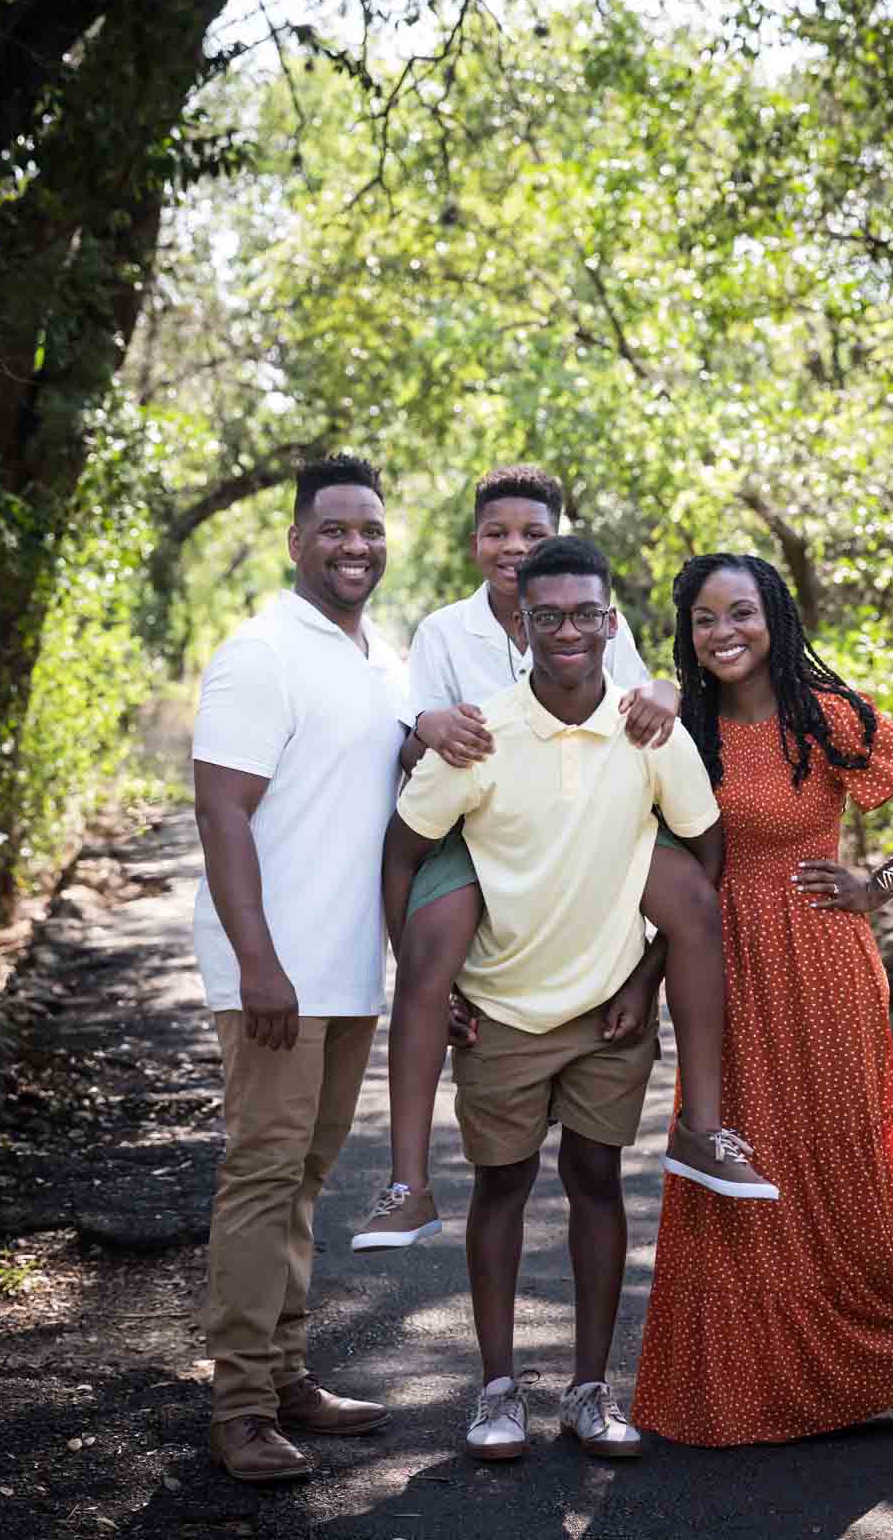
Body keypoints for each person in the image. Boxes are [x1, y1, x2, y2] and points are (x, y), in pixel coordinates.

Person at [352, 466, 774, 1253]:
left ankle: (703, 1125)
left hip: (598, 814)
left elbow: (642, 687)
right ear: (474, 544)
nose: (514, 547)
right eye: (497, 533)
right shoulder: (448, 630)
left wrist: (667, 694)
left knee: (690, 901)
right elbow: (417, 737)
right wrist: (437, 725)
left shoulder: (583, 604)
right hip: (486, 822)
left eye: (532, 533)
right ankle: (408, 1182)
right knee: (432, 938)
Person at [379, 535, 736, 1461]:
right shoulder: (480, 734)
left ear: (611, 624)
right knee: (502, 1184)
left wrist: (648, 977)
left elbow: (705, 860)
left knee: (596, 1182)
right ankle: (496, 1390)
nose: (569, 630)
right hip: (504, 1006)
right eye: (550, 617)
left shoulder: (651, 728)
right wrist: (430, 974)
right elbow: (404, 851)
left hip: (608, 1013)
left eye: (586, 614)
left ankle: (588, 1389)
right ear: (523, 628)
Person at [632, 552, 893, 1449]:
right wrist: (640, 982)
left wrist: (880, 883)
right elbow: (660, 864)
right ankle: (746, 1387)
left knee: (843, 1160)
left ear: (773, 616)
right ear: (689, 633)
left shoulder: (825, 718)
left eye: (740, 613)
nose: (725, 634)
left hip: (822, 962)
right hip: (719, 972)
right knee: (734, 1163)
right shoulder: (684, 729)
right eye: (705, 620)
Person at [192, 456, 405, 1483]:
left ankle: (283, 1376)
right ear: (295, 541)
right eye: (333, 529)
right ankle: (238, 1409)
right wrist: (258, 960)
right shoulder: (261, 653)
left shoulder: (385, 657)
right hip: (274, 973)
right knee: (262, 1175)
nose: (354, 545)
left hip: (348, 969)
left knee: (307, 1179)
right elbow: (221, 809)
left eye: (368, 527)